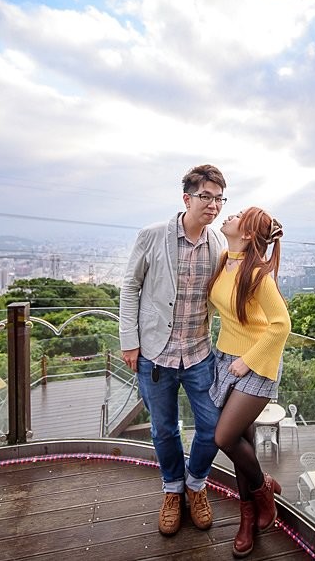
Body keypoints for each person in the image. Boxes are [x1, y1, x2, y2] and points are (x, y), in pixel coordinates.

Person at [119, 164, 227, 537]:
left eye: (219, 199)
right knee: (163, 431)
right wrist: (129, 341)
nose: (213, 206)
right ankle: (172, 490)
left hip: (199, 352)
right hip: (155, 354)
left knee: (212, 428)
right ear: (187, 198)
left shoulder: (219, 245)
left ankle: (196, 485)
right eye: (206, 197)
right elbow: (130, 287)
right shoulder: (152, 236)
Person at [207, 207, 291, 558]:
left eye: (238, 215)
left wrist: (247, 361)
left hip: (255, 364)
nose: (230, 215)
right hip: (225, 359)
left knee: (223, 437)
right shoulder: (227, 257)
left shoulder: (257, 273)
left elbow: (280, 324)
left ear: (246, 234)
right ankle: (248, 516)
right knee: (242, 442)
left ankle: (262, 489)